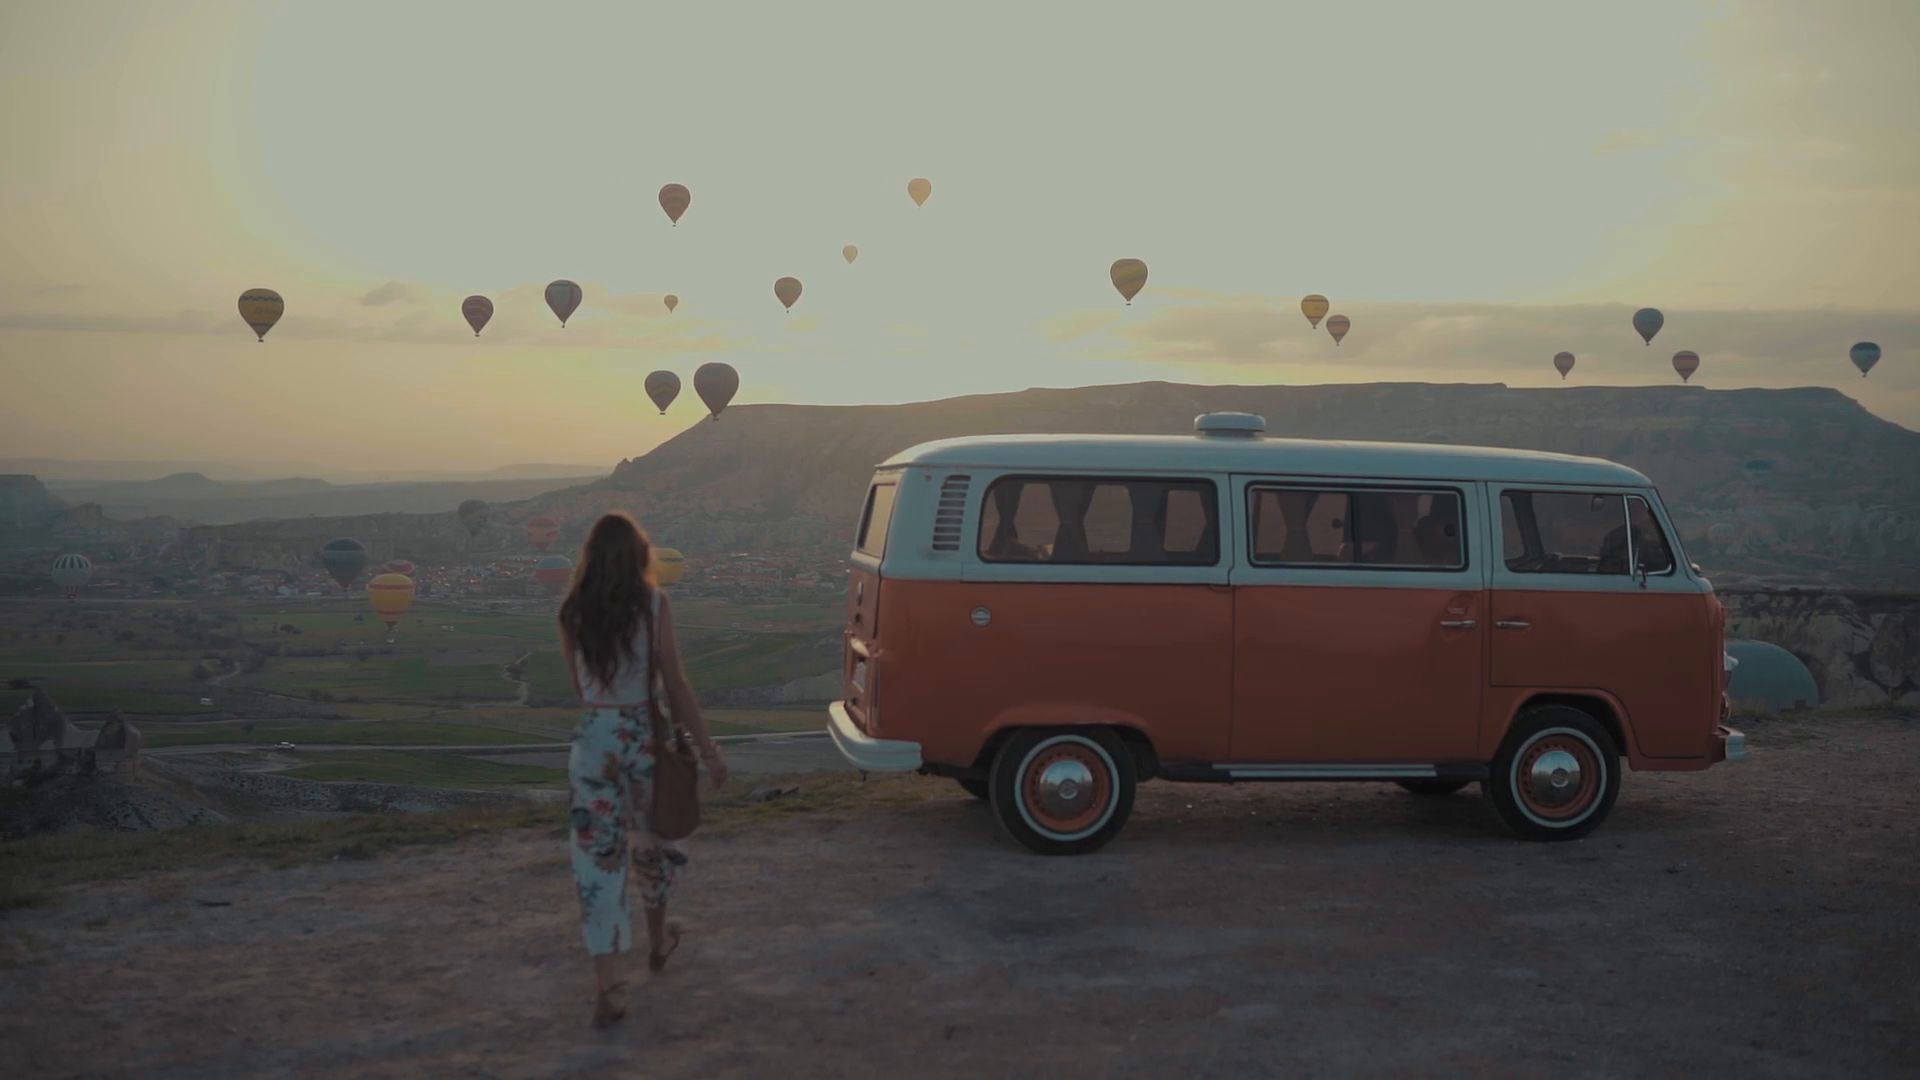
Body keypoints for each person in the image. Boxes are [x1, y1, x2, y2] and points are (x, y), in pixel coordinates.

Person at [557, 512, 730, 1028]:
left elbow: (580, 688)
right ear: (639, 556)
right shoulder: (655, 605)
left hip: (594, 742)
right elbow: (674, 684)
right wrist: (708, 751)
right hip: (642, 740)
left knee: (598, 864)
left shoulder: (571, 611)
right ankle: (656, 941)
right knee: (655, 841)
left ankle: (610, 983)